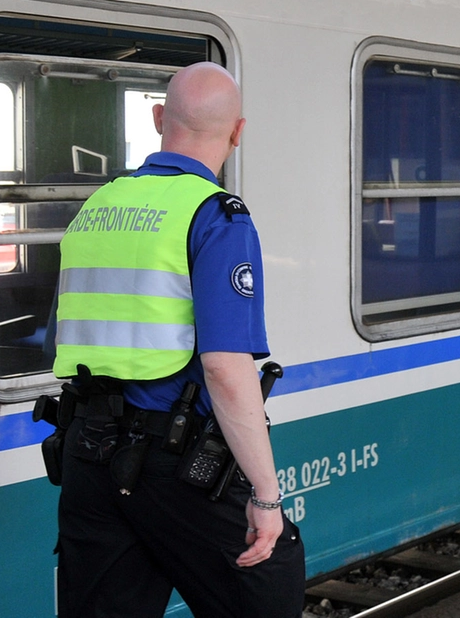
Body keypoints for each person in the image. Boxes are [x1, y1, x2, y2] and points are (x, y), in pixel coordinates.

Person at [47, 62, 305, 617]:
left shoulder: (99, 207)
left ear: (160, 117)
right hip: (176, 461)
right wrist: (265, 496)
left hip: (87, 453)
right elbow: (225, 369)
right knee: (269, 580)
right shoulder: (216, 217)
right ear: (238, 133)